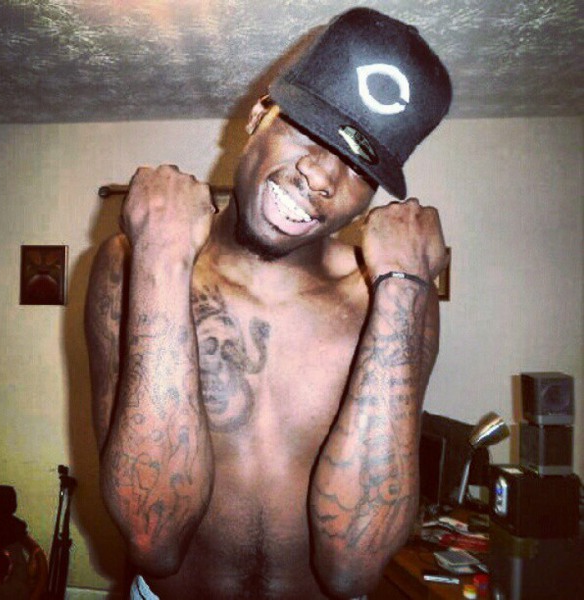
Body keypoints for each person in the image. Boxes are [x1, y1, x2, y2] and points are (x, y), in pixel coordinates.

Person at [85, 8, 452, 599]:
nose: (323, 176)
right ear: (260, 114)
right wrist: (161, 259)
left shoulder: (390, 294)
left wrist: (406, 286)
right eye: (311, 129)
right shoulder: (133, 263)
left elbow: (352, 571)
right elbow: (153, 540)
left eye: (360, 165)